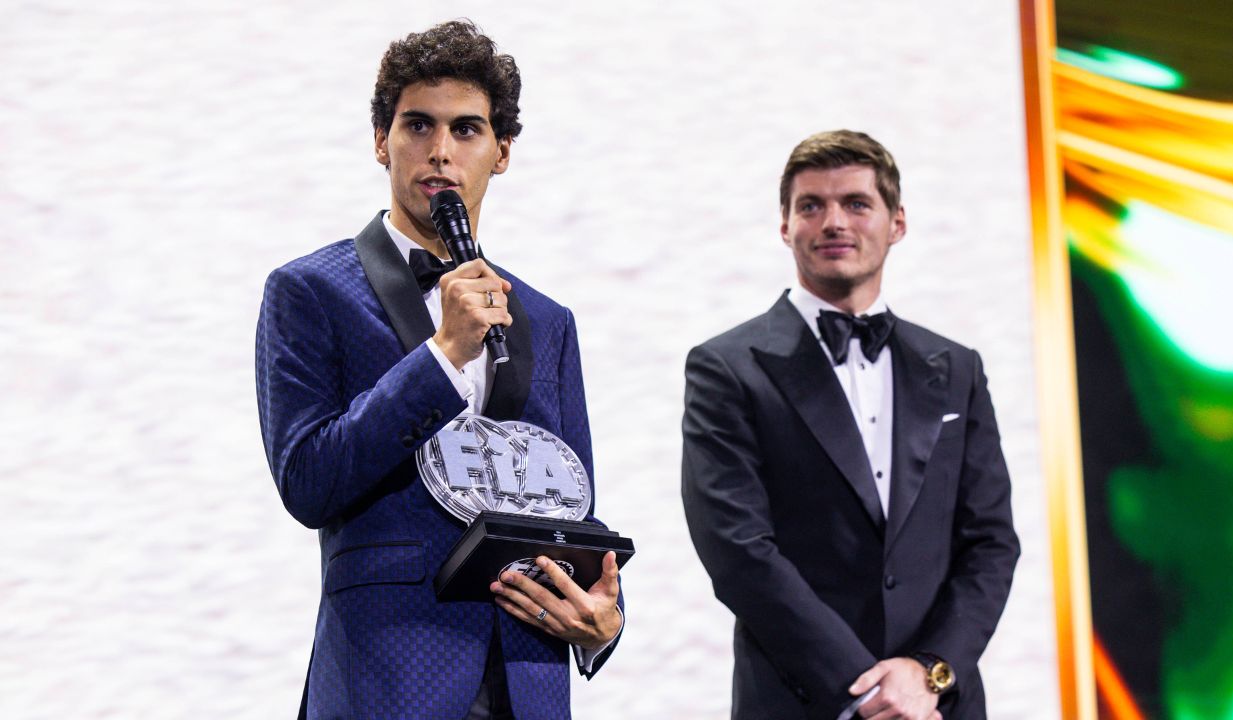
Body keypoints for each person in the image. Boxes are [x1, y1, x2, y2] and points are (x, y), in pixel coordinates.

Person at [255, 21, 622, 720]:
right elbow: (308, 481)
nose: (440, 152)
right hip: (387, 678)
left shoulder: (547, 319)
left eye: (466, 130)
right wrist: (443, 355)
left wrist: (606, 616)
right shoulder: (310, 291)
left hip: (529, 676)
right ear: (380, 141)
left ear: (502, 151)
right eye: (417, 125)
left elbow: (569, 508)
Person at [681, 130, 1019, 720]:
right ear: (785, 226)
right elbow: (736, 549)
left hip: (939, 704)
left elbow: (990, 542)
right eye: (811, 205)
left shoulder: (958, 368)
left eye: (857, 203)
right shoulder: (726, 367)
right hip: (801, 701)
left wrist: (928, 671)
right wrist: (867, 690)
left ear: (897, 223)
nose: (834, 221)